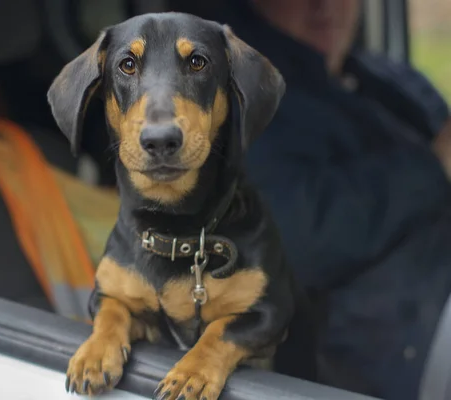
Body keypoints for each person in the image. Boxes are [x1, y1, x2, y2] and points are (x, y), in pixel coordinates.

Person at [188, 0, 451, 399]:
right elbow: (289, 236)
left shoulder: (389, 78)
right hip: (391, 360)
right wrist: (434, 165)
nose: (324, 6)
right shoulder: (240, 99)